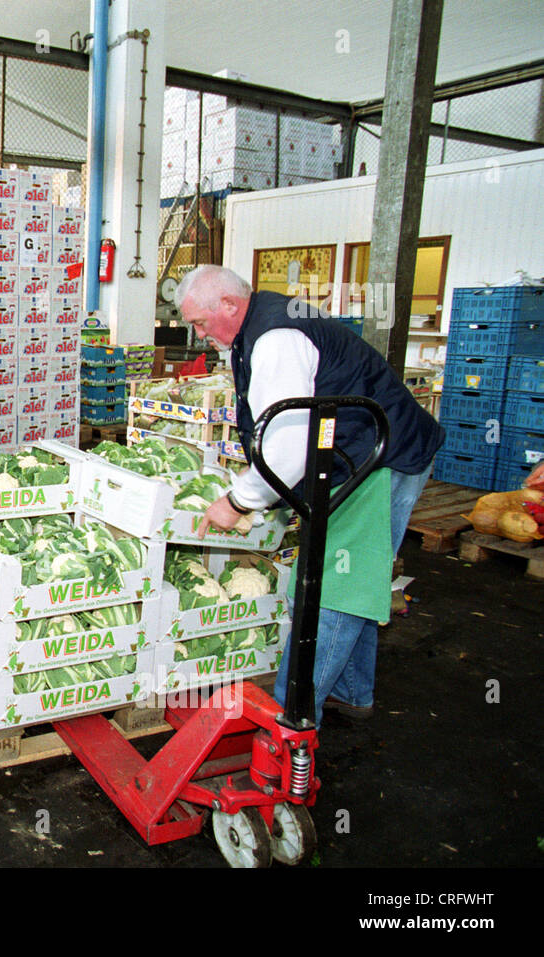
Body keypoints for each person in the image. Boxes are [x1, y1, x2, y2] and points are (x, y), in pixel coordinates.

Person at [178, 264, 445, 725]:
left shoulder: (277, 337)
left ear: (229, 304)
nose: (199, 334)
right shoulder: (261, 325)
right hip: (352, 456)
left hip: (376, 460)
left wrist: (238, 501)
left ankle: (292, 721)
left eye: (200, 323)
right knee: (354, 575)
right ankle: (352, 691)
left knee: (333, 588)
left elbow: (286, 446)